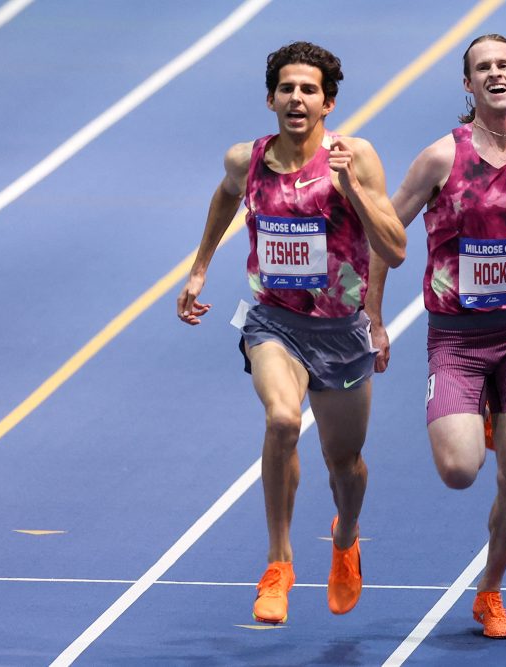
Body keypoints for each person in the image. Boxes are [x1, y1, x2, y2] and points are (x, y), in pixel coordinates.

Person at [177, 41, 406, 625]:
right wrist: (201, 265)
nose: (297, 98)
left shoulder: (356, 156)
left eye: (308, 90)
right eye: (287, 88)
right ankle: (279, 561)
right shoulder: (245, 160)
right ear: (271, 98)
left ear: (328, 101)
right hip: (272, 322)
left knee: (344, 465)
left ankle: (346, 536)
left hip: (341, 332)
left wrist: (351, 187)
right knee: (281, 419)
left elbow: (396, 250)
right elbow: (225, 198)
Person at [370, 34, 506, 638]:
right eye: (481, 68)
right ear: (468, 86)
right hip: (458, 341)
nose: (494, 74)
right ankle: (478, 414)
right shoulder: (441, 158)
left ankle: (489, 591)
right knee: (461, 470)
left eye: (503, 65)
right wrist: (374, 319)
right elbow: (384, 239)